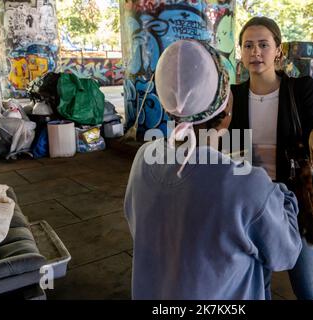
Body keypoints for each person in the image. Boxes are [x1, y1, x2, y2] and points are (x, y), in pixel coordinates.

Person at [124, 39, 302, 300]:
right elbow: (285, 254)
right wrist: (282, 197)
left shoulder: (144, 159)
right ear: (227, 107)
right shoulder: (248, 185)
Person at [230, 17, 313, 300]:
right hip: (250, 202)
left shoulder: (299, 88)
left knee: (309, 290)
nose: (255, 52)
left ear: (277, 50)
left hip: (294, 200)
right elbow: (223, 146)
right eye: (248, 45)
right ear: (241, 52)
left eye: (263, 45)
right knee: (256, 288)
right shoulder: (233, 96)